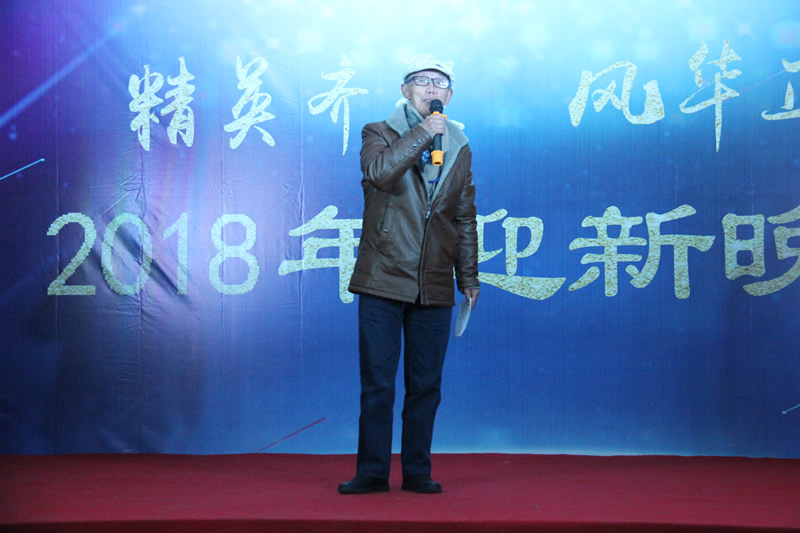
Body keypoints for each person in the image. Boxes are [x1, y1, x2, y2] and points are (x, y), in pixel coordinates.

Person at [338, 56, 479, 495]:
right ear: (406, 90)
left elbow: (464, 216)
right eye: (422, 81)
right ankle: (372, 471)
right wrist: (423, 133)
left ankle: (417, 470)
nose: (431, 88)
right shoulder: (378, 132)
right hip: (383, 275)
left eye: (440, 83)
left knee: (426, 385)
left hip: (434, 280)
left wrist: (468, 276)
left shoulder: (459, 146)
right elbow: (379, 174)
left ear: (449, 95)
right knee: (378, 384)